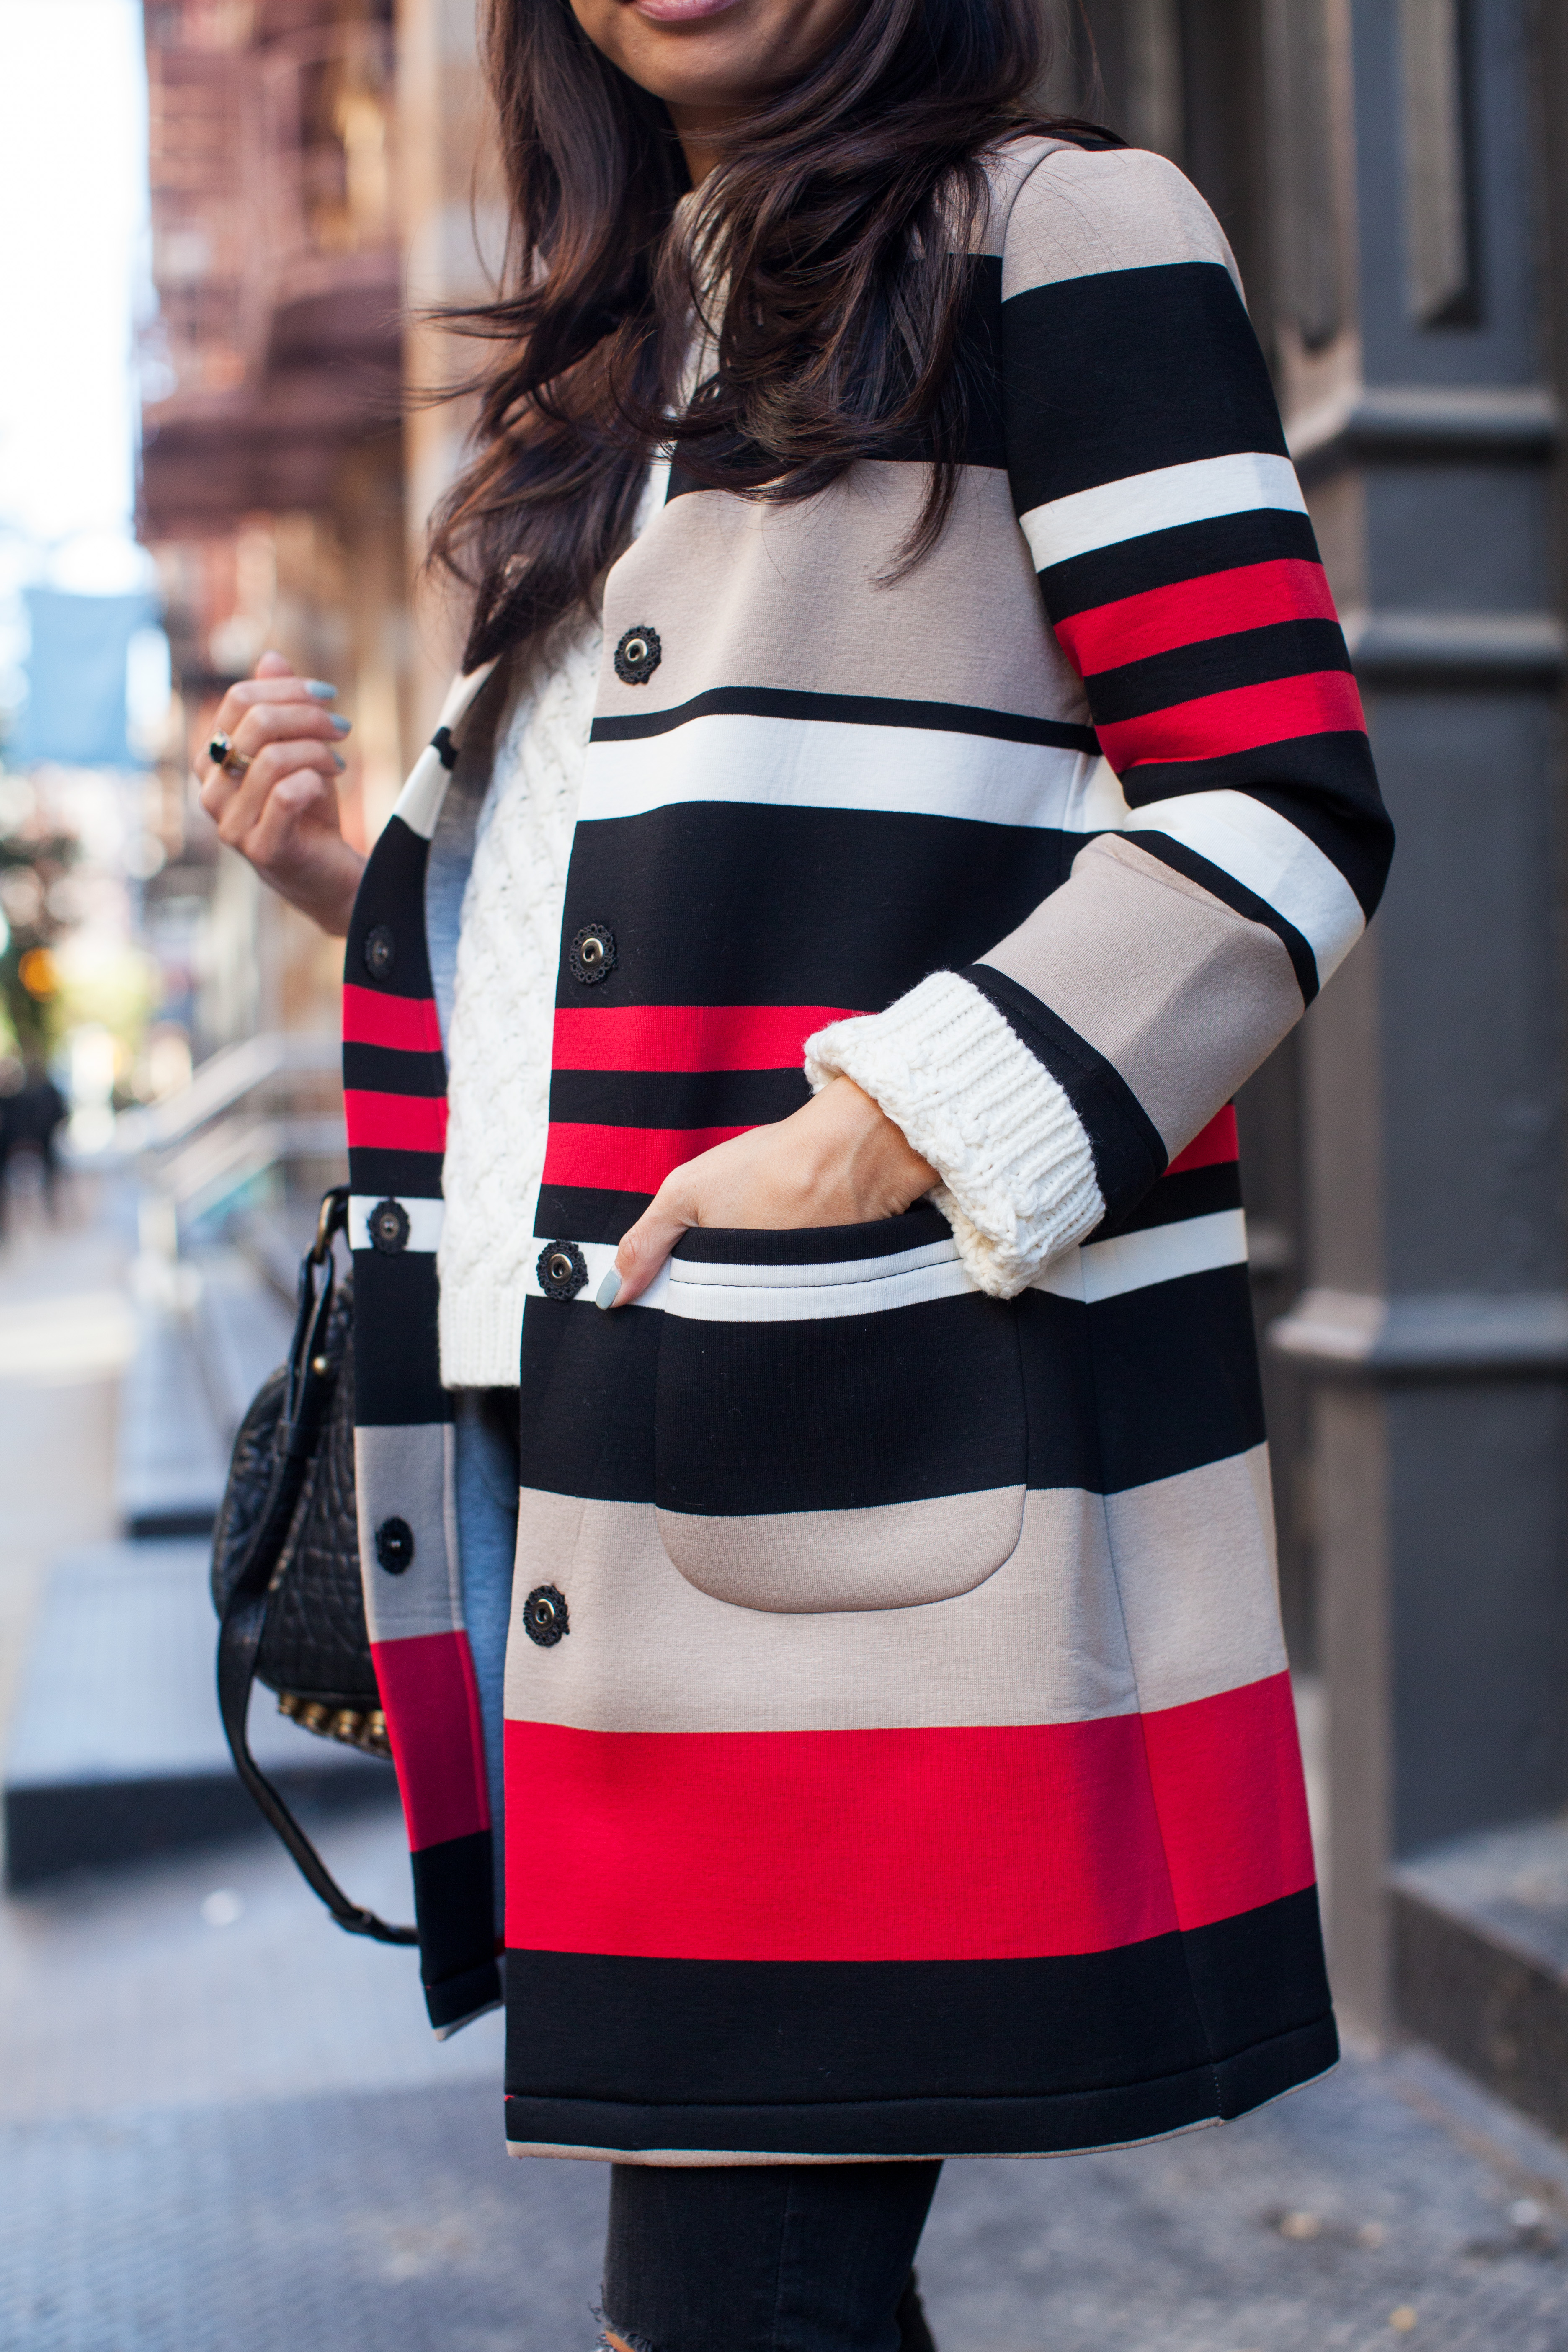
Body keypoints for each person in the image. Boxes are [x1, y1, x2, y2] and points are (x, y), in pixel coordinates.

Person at [197, 0, 1393, 2342]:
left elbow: (1275, 806)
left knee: (737, 2287)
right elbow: (656, 942)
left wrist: (897, 1118)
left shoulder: (1058, 233)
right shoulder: (614, 369)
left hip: (860, 1462)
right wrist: (366, 885)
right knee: (734, 2286)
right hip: (603, 1464)